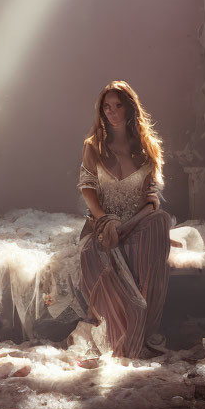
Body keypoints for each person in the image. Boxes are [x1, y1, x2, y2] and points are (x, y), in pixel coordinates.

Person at [76, 80, 171, 358]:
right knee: (95, 254)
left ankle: (145, 326)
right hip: (103, 224)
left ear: (130, 109)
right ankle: (126, 331)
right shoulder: (93, 146)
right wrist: (105, 219)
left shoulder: (147, 147)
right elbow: (87, 189)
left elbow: (151, 202)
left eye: (118, 105)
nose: (112, 112)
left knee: (160, 222)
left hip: (137, 224)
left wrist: (131, 223)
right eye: (106, 106)